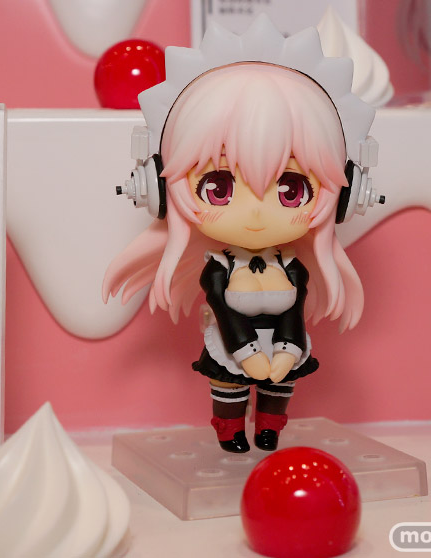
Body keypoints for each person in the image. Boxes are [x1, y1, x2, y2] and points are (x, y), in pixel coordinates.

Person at [104, 18, 380, 452]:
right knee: (230, 386)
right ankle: (230, 430)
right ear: (156, 188)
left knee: (279, 386)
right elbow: (224, 310)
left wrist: (288, 348)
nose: (254, 212)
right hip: (232, 344)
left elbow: (294, 311)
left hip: (281, 345)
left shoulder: (291, 266)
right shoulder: (218, 268)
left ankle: (270, 427)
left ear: (347, 195)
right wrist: (247, 351)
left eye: (291, 190)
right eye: (219, 187)